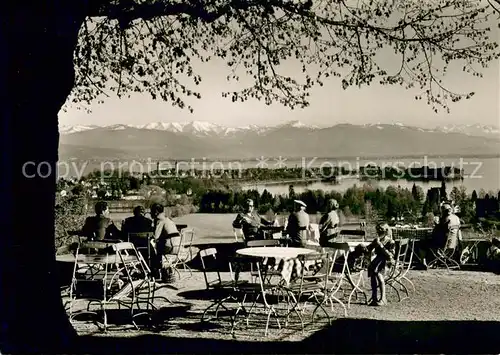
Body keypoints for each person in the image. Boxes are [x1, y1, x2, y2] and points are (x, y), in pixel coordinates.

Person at [418, 203, 460, 269]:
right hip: (453, 244)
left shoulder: (446, 218)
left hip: (443, 244)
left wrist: (436, 225)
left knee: (422, 243)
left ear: (444, 211)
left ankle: (423, 263)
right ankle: (433, 262)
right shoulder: (456, 218)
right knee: (431, 244)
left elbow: (437, 232)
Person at [367, 223, 396, 306]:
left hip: (387, 262)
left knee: (378, 273)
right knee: (373, 271)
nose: (378, 232)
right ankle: (374, 297)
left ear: (386, 231)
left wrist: (381, 246)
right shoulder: (377, 240)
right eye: (378, 230)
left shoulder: (390, 241)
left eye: (381, 230)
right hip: (378, 262)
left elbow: (390, 255)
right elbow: (368, 248)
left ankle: (383, 298)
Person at [150, 203, 181, 282]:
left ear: (156, 212)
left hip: (169, 246)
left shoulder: (160, 220)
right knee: (157, 249)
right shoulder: (167, 219)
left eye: (151, 211)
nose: (150, 213)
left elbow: (155, 236)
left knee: (152, 252)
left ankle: (155, 272)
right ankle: (165, 272)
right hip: (177, 245)